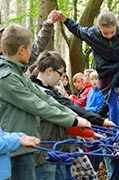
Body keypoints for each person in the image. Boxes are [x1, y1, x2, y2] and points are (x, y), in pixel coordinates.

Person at [0, 24, 91, 180]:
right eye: (29, 48)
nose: (31, 52)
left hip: (25, 145)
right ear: (21, 49)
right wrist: (73, 120)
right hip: (15, 149)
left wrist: (74, 117)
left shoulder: (18, 73)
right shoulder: (7, 77)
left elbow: (44, 97)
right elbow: (35, 104)